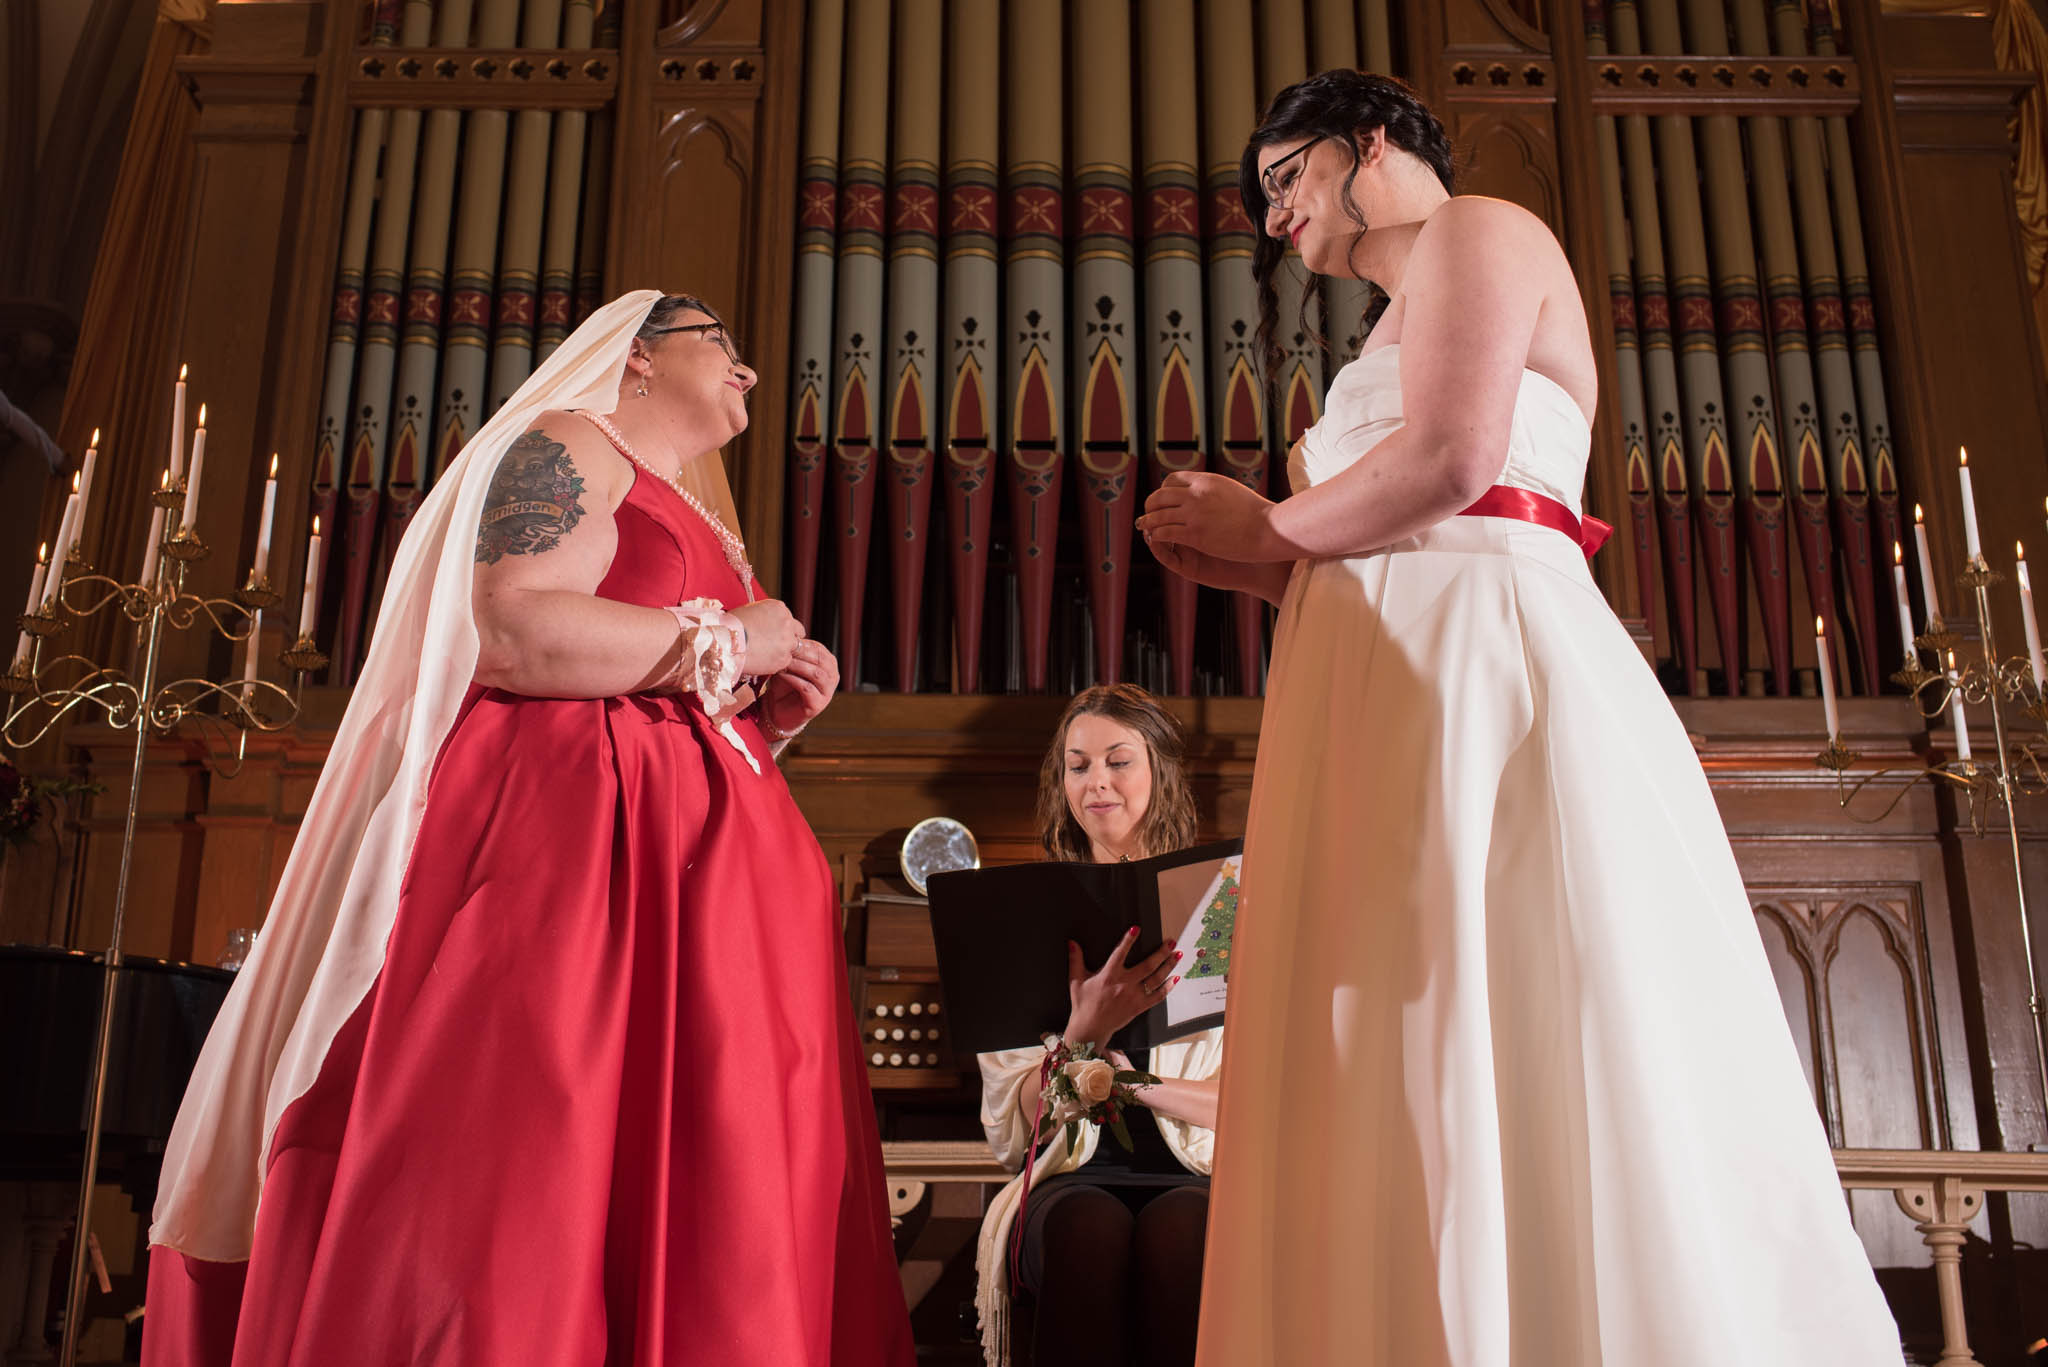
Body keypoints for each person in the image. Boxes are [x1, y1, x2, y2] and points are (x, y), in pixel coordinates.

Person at [1135, 71, 1903, 1366]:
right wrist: (1248, 561)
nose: (1274, 220)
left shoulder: (1482, 231)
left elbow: (1450, 461)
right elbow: (1360, 538)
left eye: (1285, 178)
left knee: (1526, 985)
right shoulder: (1374, 336)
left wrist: (1265, 523)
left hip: (1486, 655)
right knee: (1407, 1012)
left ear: (1366, 140)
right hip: (1373, 671)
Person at [142, 291, 914, 1366]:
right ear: (636, 358)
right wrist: (734, 636)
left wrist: (755, 707)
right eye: (719, 346)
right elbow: (510, 626)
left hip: (694, 911)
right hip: (573, 874)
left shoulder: (693, 510)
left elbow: (652, 693)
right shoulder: (570, 442)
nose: (745, 373)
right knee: (535, 1163)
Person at [973, 684, 1222, 1367]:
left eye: (1118, 760)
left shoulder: (1221, 910)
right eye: (1077, 764)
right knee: (1087, 1230)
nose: (1097, 781)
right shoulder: (1021, 917)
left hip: (1197, 1176)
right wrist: (1082, 1033)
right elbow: (1011, 1130)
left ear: (1160, 772)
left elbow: (1256, 1107)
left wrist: (1131, 1083)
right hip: (1066, 1177)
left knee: (1184, 1233)